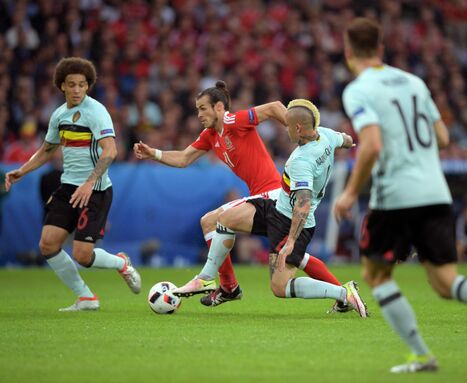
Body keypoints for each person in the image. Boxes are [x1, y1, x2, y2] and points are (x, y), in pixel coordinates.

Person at [333, 18, 467, 372]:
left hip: (396, 193)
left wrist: (350, 192)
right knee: (445, 281)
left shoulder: (358, 89)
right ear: (381, 50)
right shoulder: (414, 82)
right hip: (435, 190)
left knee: (377, 276)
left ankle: (421, 355)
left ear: (349, 52)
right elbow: (442, 138)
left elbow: (372, 145)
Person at [134, 81, 349, 311]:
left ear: (218, 107)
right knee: (297, 257)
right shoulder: (209, 136)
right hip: (264, 199)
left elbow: (274, 106)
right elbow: (184, 158)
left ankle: (223, 284)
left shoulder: (232, 121)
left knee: (211, 220)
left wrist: (298, 128)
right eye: (197, 109)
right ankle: (344, 295)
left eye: (203, 108)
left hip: (273, 195)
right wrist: (153, 153)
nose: (199, 114)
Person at [173, 99, 367, 317]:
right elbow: (346, 139)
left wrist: (291, 241)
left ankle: (343, 292)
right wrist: (351, 142)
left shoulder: (301, 160)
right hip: (274, 207)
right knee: (224, 219)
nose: (285, 131)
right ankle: (207, 278)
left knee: (280, 287)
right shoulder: (327, 135)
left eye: (287, 126)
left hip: (290, 222)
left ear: (298, 128)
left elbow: (303, 202)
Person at [4, 57, 141, 311]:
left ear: (88, 86)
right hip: (68, 188)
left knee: (82, 255)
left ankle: (121, 263)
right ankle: (86, 297)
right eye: (72, 84)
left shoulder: (97, 112)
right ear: (62, 86)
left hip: (96, 190)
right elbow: (47, 149)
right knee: (47, 244)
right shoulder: (59, 115)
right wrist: (21, 171)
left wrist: (90, 182)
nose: (77, 89)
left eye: (82, 84)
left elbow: (111, 151)